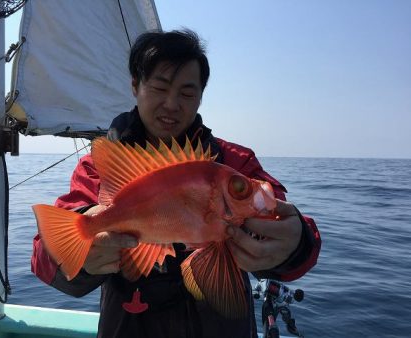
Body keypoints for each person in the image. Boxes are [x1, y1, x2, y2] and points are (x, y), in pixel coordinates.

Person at [31, 29, 321, 338]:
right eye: (159, 87)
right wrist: (80, 256)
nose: (172, 104)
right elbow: (45, 255)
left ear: (200, 96)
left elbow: (286, 224)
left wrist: (296, 242)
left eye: (186, 93)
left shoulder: (233, 163)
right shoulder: (99, 168)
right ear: (135, 86)